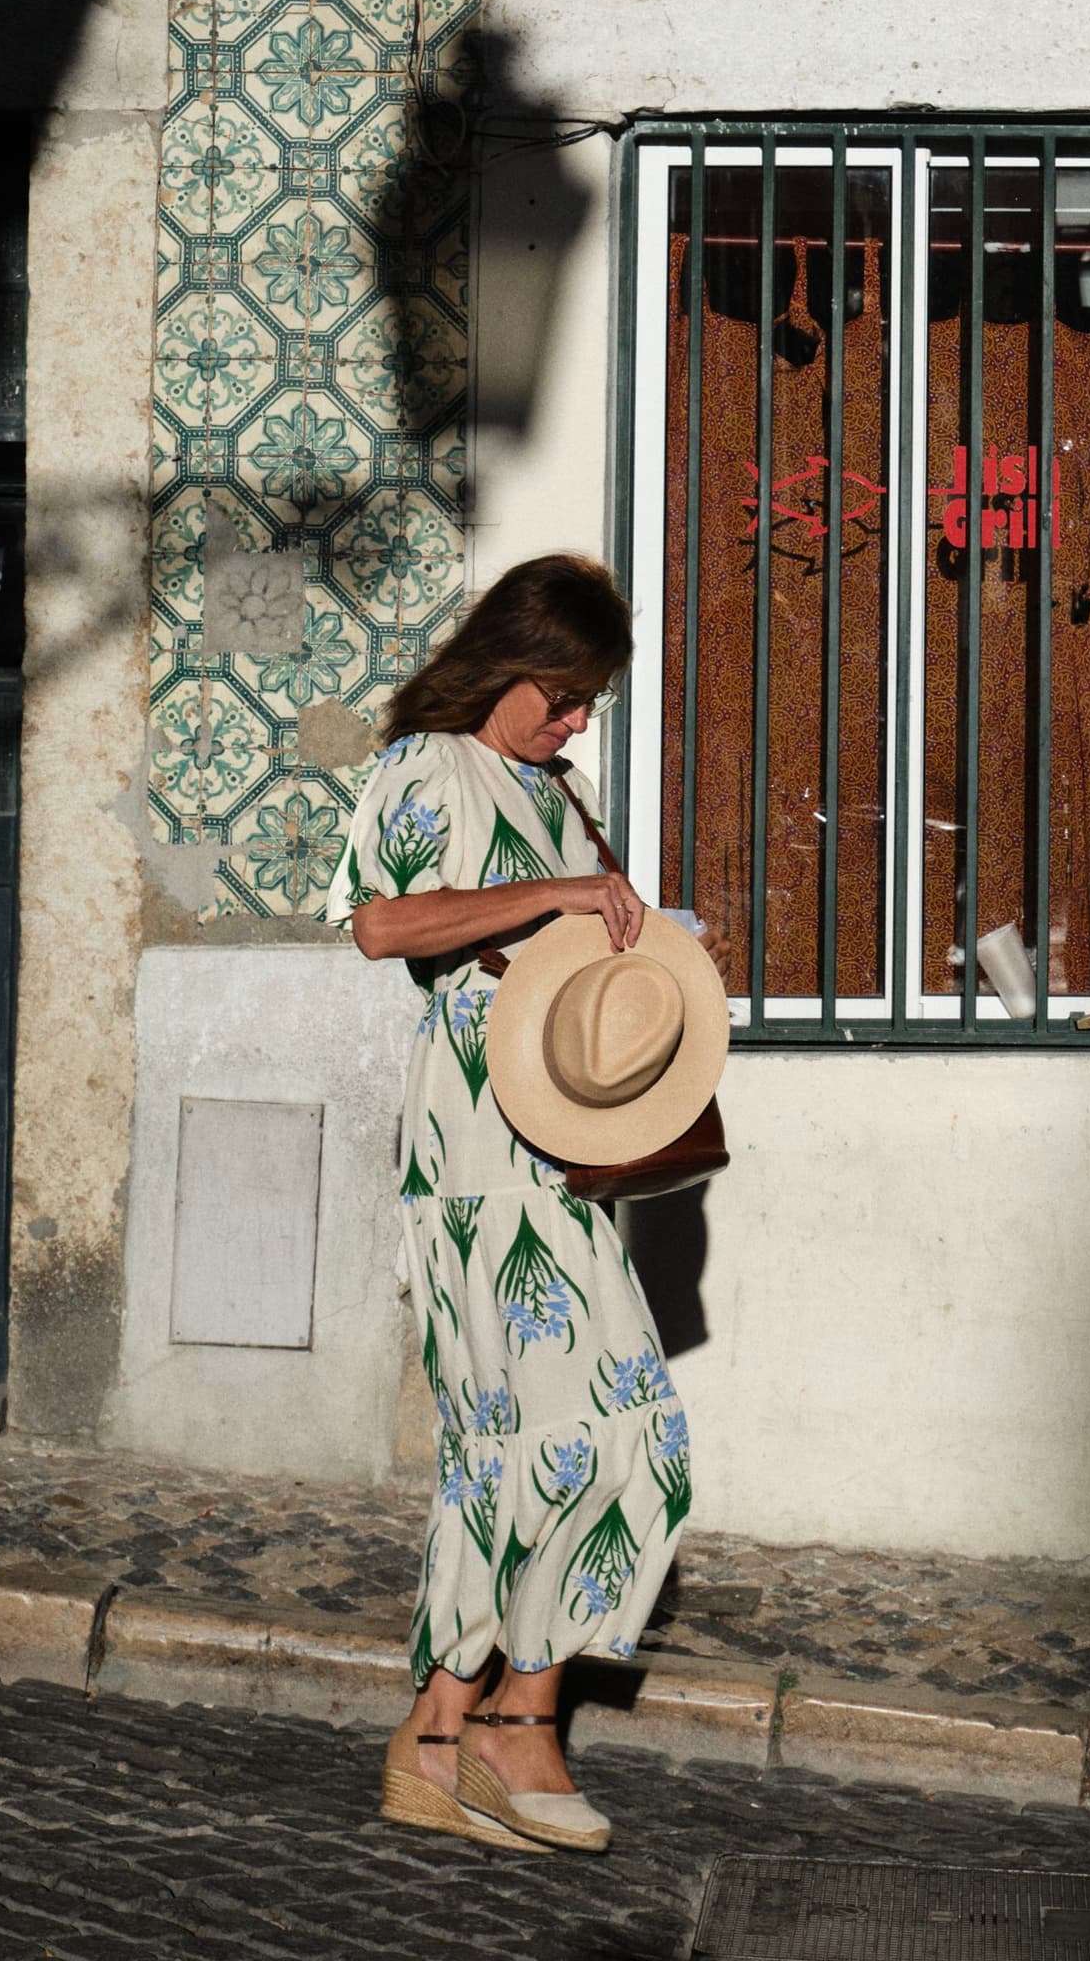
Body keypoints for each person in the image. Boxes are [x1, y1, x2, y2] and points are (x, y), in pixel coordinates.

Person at [328, 553, 691, 1858]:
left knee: (563, 1448)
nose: (581, 719)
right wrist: (553, 891)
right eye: (567, 693)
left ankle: (452, 1731)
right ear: (510, 661)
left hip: (562, 1156)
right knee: (576, 1443)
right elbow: (383, 927)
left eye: (592, 700)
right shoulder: (431, 768)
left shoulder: (559, 790)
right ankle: (504, 1724)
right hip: (479, 1164)